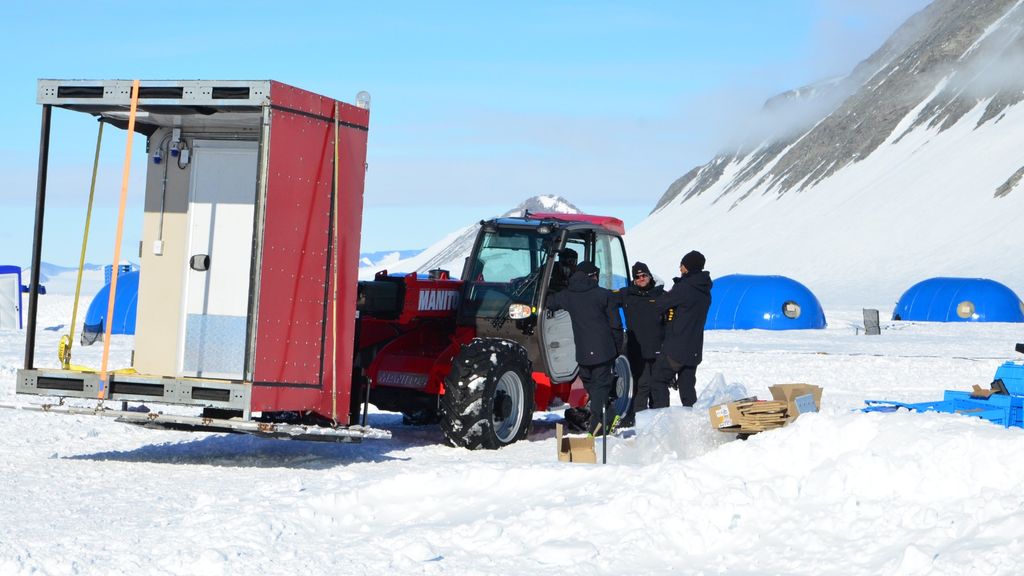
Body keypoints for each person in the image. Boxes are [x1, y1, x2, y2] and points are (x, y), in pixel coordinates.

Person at [547, 261, 624, 435]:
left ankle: (605, 422)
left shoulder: (567, 296)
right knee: (599, 391)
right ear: (592, 276)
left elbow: (550, 302)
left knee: (595, 389)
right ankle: (598, 432)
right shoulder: (604, 295)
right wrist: (617, 349)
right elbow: (616, 325)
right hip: (604, 352)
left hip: (582, 354)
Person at [650, 251, 712, 408]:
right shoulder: (705, 290)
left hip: (677, 348)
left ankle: (661, 421)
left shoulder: (684, 288)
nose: (680, 268)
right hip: (694, 349)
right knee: (687, 389)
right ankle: (690, 424)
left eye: (682, 265)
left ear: (688, 267)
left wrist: (657, 293)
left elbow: (660, 304)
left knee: (658, 380)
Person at [614, 261, 666, 425]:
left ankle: (662, 421)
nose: (641, 279)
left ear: (650, 276)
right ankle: (640, 422)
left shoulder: (661, 295)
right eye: (637, 276)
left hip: (659, 349)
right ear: (634, 279)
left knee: (659, 387)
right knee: (641, 387)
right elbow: (604, 300)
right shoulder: (626, 294)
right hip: (637, 351)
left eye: (644, 275)